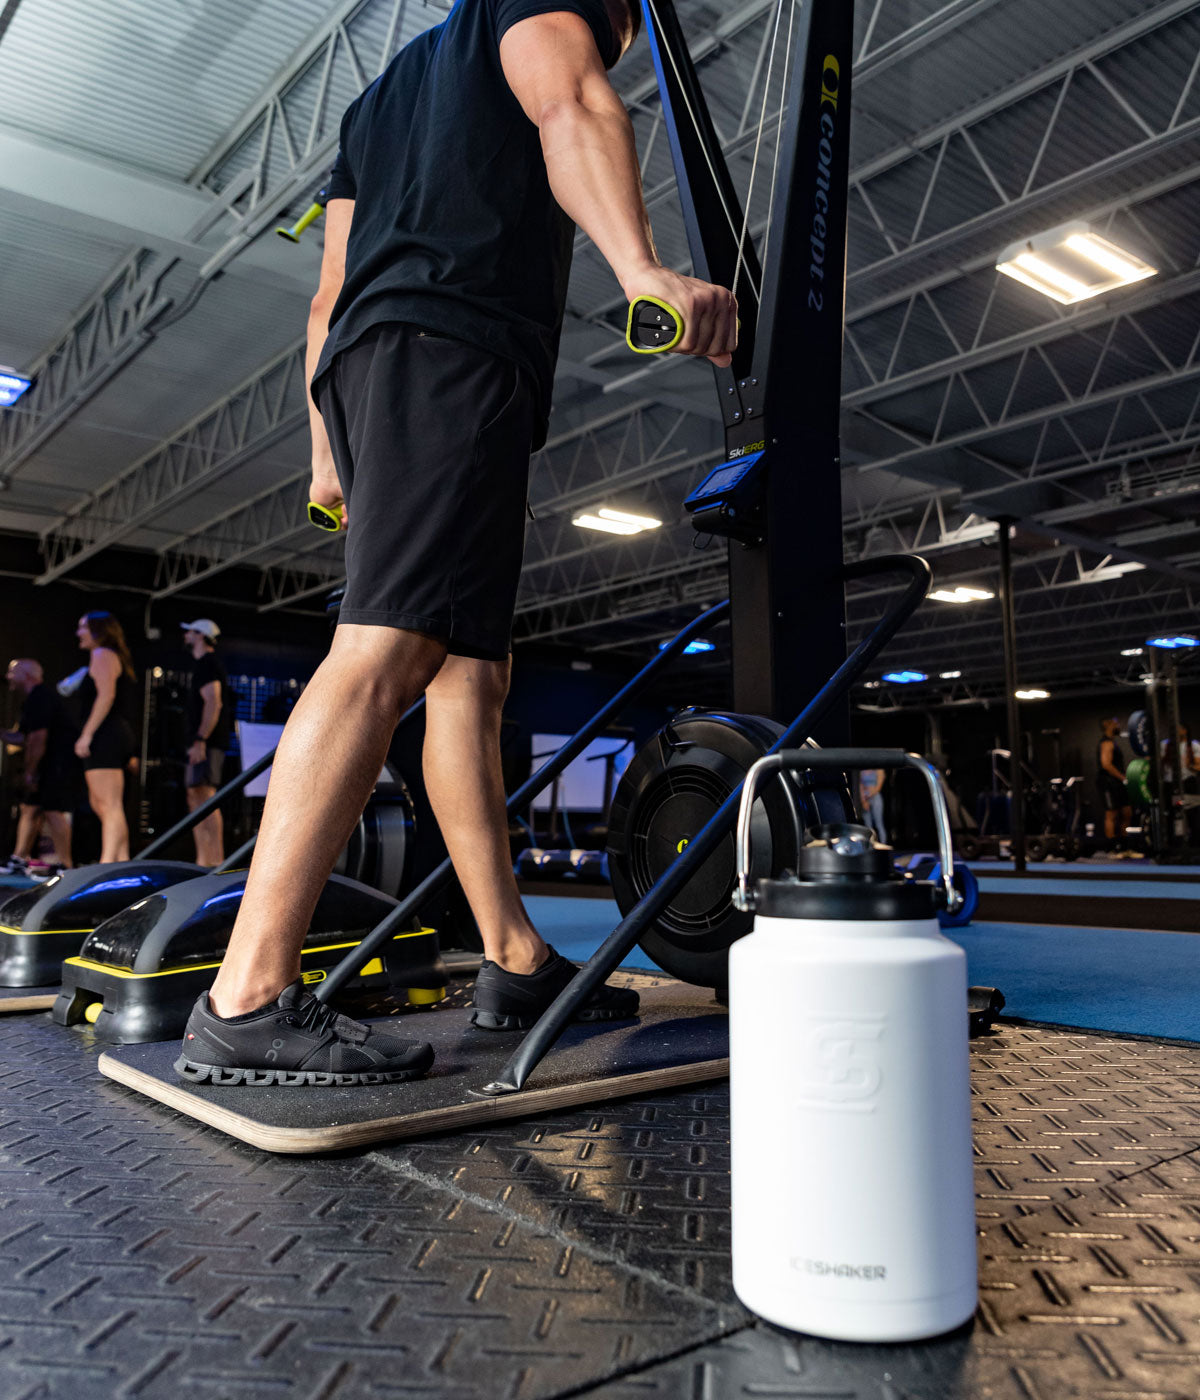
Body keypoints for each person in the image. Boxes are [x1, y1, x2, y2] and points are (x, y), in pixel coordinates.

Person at [177, 0, 737, 1086]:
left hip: (380, 361)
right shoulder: (537, 5)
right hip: (451, 346)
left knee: (466, 670)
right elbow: (570, 99)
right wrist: (641, 272)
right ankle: (245, 996)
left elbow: (327, 295)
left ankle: (513, 955)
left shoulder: (379, 100)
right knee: (386, 649)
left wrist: (324, 449)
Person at [2, 659, 79, 876]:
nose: (8, 677)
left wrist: (30, 771)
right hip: (47, 761)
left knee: (52, 810)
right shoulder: (31, 700)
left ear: (26, 675)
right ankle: (18, 858)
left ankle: (66, 865)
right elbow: (21, 737)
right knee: (30, 807)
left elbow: (37, 739)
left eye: (12, 672)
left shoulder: (40, 697)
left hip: (55, 762)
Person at [74, 612, 139, 863]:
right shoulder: (105, 656)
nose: (79, 633)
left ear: (99, 630)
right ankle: (120, 861)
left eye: (83, 627)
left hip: (106, 735)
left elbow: (106, 696)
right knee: (102, 803)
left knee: (109, 804)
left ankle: (108, 864)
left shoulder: (103, 654)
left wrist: (87, 735)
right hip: (109, 734)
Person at [181, 620, 231, 867]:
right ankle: (204, 860)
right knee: (196, 795)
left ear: (200, 635)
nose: (186, 635)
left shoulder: (208, 664)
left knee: (205, 796)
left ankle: (215, 861)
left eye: (190, 631)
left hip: (207, 741)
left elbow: (214, 702)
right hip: (202, 741)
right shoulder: (203, 665)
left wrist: (201, 739)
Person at [1097, 717, 1130, 843]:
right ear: (1108, 725)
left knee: (1126, 812)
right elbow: (1106, 764)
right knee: (1111, 814)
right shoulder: (1106, 743)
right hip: (1108, 783)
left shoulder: (1113, 742)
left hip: (1118, 783)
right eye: (1116, 723)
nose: (1118, 725)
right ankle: (1111, 847)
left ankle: (1124, 845)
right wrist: (1122, 777)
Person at [858, 768, 886, 844]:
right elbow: (861, 785)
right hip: (866, 798)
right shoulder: (863, 770)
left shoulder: (879, 769)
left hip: (875, 797)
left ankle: (883, 844)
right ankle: (870, 845)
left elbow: (879, 786)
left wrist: (869, 796)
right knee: (867, 825)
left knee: (878, 823)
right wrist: (863, 800)